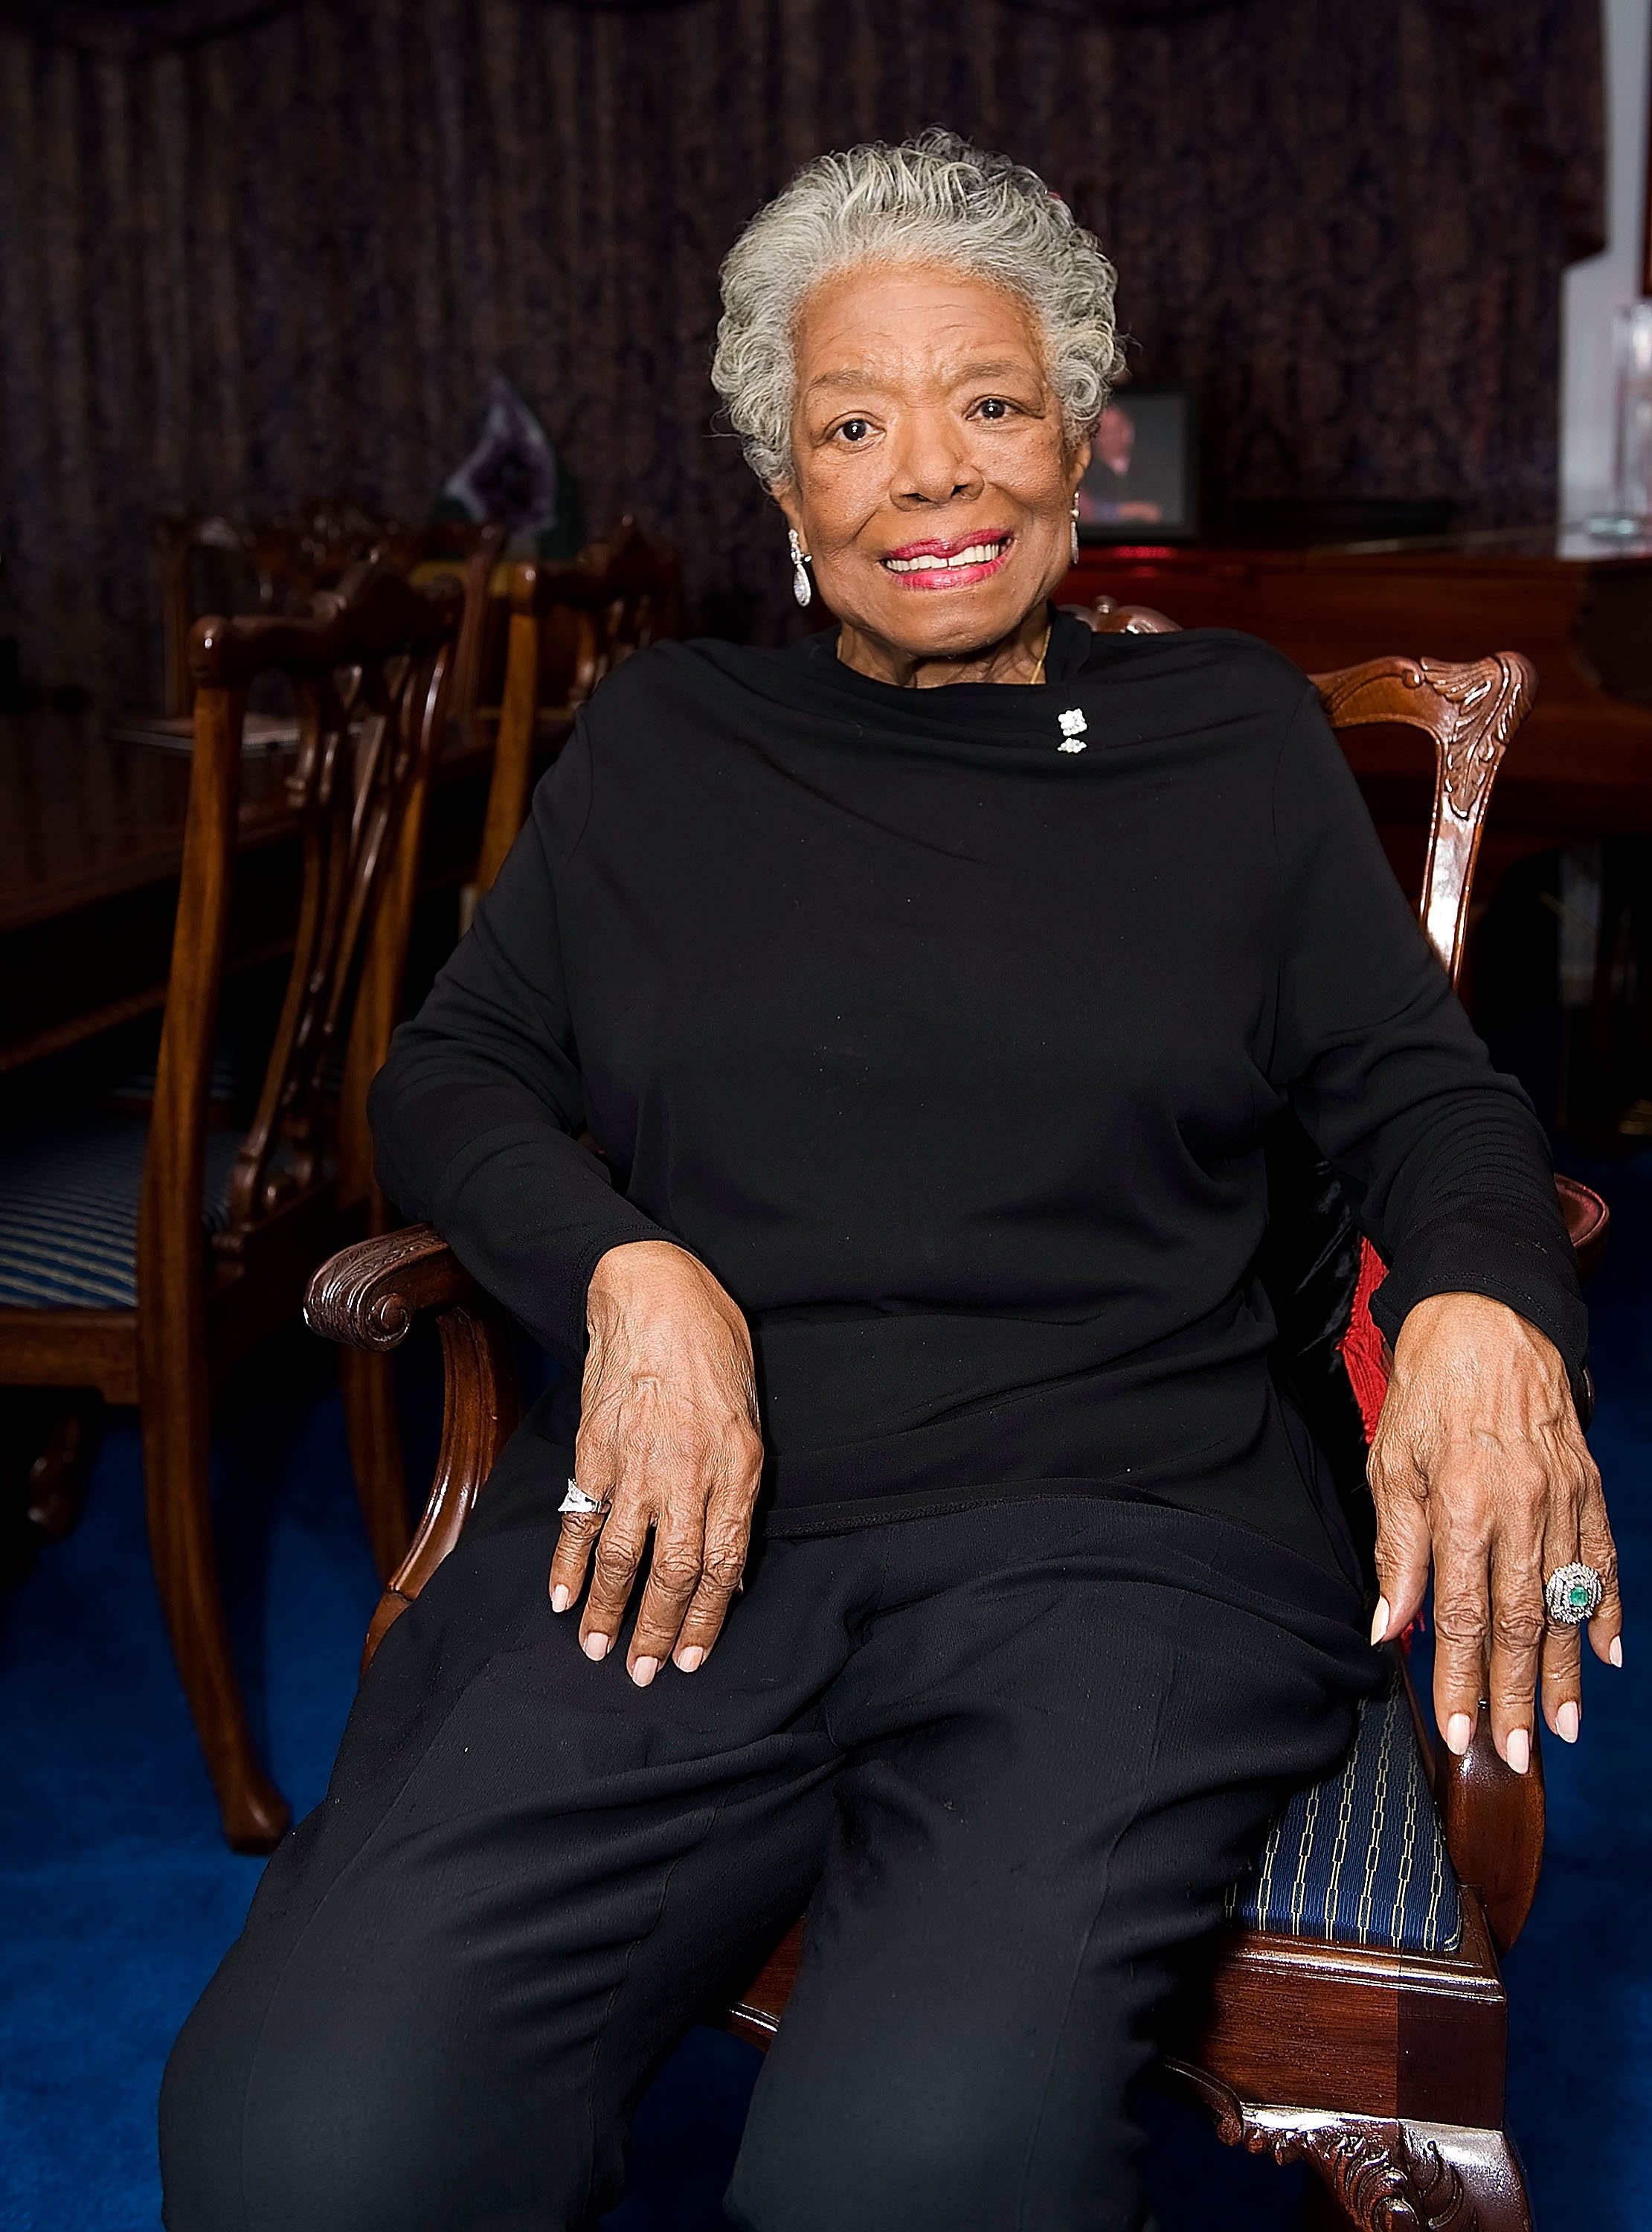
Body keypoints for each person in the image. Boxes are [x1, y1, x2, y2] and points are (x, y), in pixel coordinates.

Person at [160, 132, 1621, 2232]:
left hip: (1118, 1550)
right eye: (854, 423)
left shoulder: (1223, 739)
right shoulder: (666, 743)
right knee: (301, 2140)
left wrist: (1482, 1302)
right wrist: (628, 1272)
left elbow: (1427, 1093)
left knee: (912, 2171)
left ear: (1080, 446)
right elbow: (454, 1074)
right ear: (787, 491)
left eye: (990, 406)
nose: (930, 475)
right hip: (688, 1533)